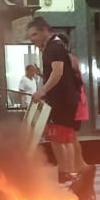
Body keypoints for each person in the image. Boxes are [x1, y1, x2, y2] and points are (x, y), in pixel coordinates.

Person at [27, 16, 81, 182]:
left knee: (57, 138)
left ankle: (65, 172)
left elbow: (57, 73)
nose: (33, 40)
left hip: (61, 102)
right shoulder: (58, 45)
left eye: (35, 35)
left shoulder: (53, 47)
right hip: (67, 100)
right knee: (65, 138)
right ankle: (69, 172)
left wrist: (42, 91)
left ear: (45, 30)